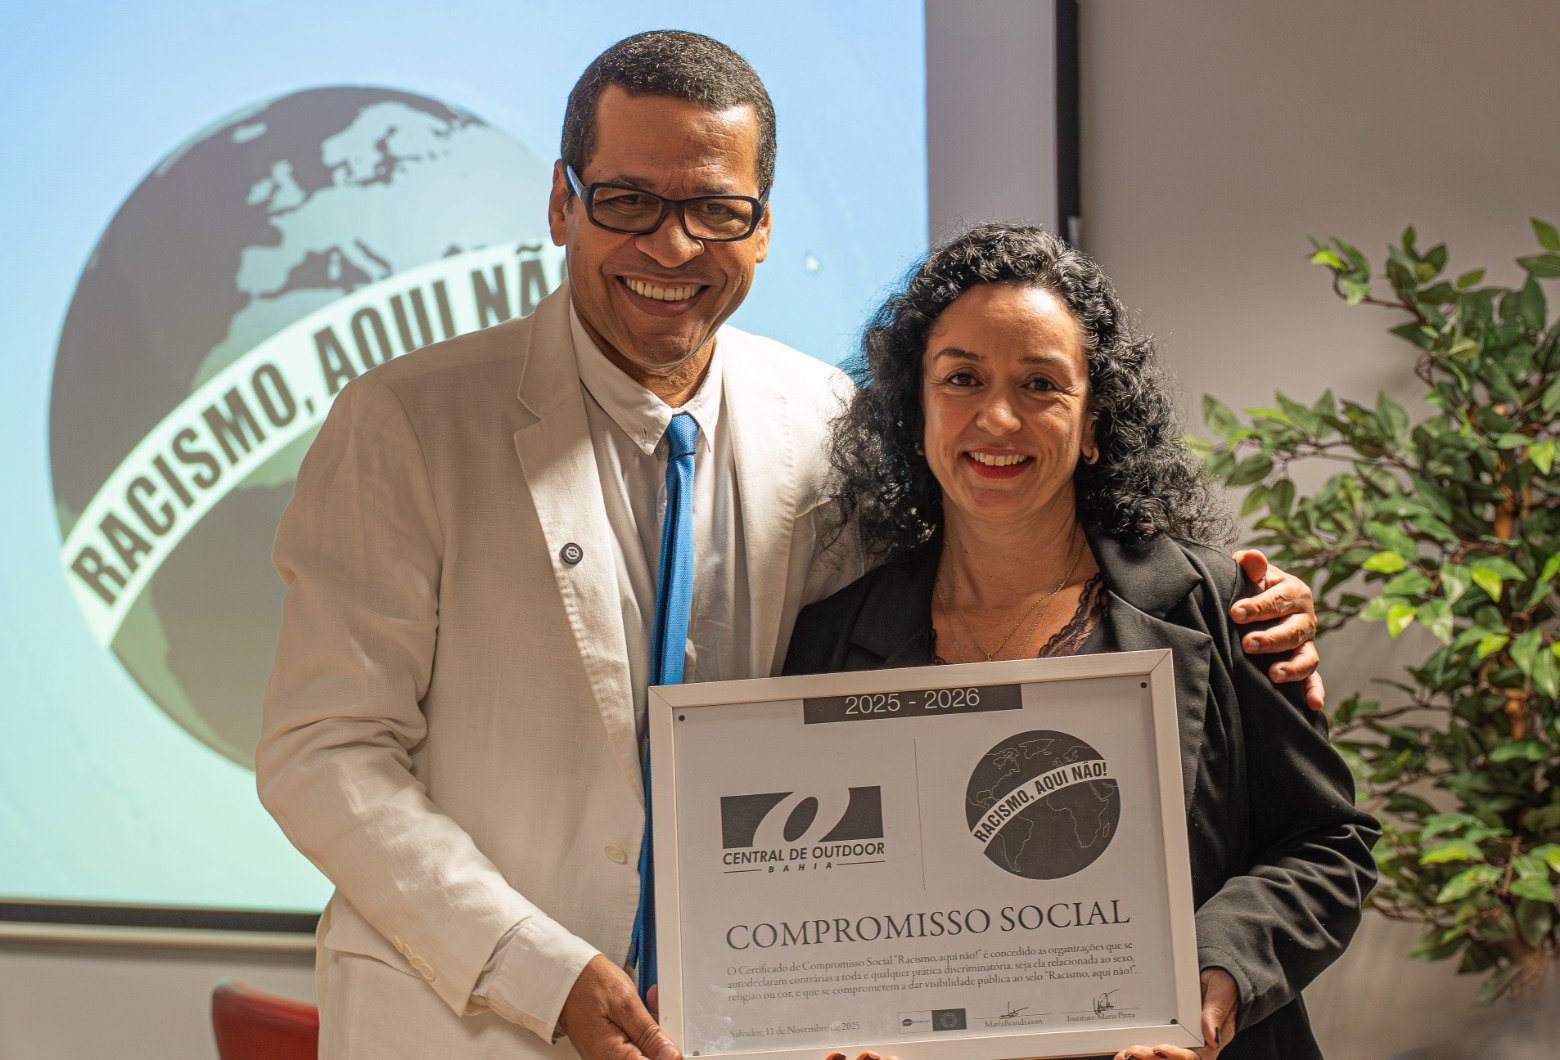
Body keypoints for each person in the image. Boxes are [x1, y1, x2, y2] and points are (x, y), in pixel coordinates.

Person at [258, 32, 1326, 1060]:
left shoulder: (824, 424)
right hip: (473, 1019)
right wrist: (543, 970)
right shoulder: (406, 425)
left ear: (763, 227)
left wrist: (1247, 610)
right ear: (560, 204)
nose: (672, 246)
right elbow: (324, 751)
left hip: (751, 1030)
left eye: (715, 210)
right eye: (627, 201)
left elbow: (962, 629)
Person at [784, 222, 1379, 1059]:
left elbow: (1327, 844)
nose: (998, 417)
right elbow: (819, 903)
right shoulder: (833, 640)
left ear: (1094, 421)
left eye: (1040, 384)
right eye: (961, 378)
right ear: (915, 413)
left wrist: (1214, 979)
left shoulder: (1219, 607)